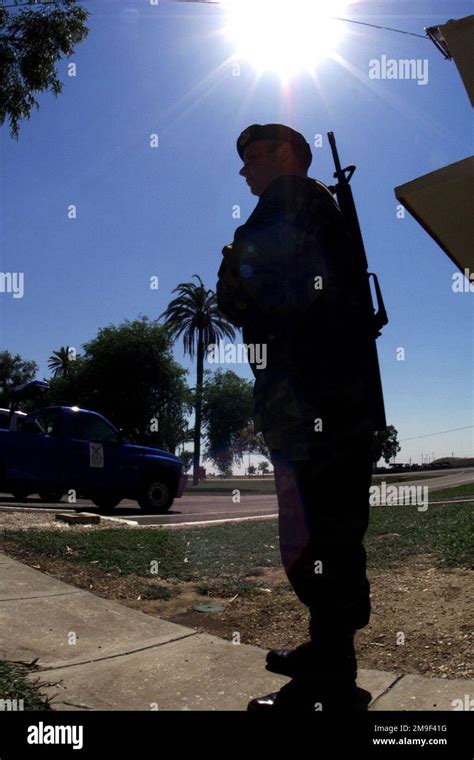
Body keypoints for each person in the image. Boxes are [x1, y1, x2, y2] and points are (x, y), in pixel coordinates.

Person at [216, 124, 382, 712]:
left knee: (319, 531)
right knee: (326, 530)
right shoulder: (313, 208)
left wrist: (237, 272)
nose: (244, 169)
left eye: (253, 155)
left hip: (316, 407)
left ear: (286, 154)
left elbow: (258, 296)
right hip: (328, 404)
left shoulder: (292, 205)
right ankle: (329, 653)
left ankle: (331, 675)